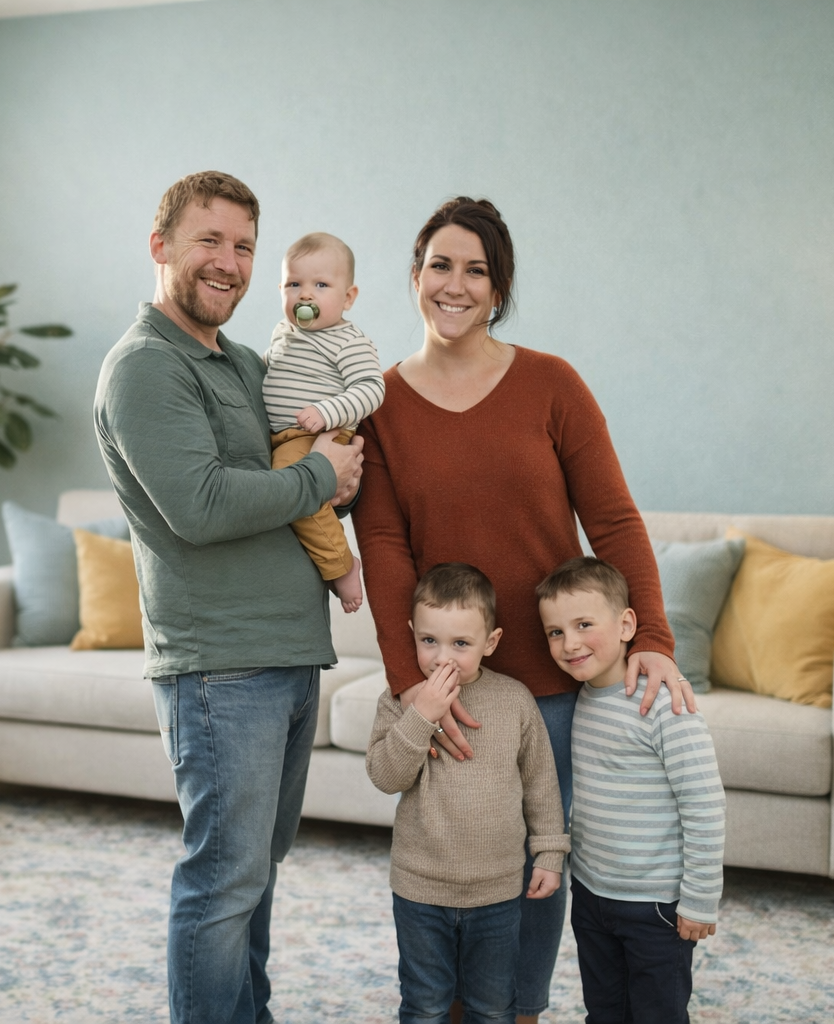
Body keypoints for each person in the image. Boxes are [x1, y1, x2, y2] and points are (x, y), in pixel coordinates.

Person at [352, 196, 697, 1023]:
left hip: (552, 684)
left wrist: (650, 635)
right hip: (449, 683)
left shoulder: (551, 384)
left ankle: (521, 1012)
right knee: (451, 863)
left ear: (499, 289)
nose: (456, 283)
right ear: (413, 276)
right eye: (440, 264)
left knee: (541, 862)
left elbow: (613, 519)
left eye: (477, 269)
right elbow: (386, 551)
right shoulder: (381, 404)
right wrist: (414, 688)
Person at [93, 170, 364, 1024]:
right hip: (220, 667)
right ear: (161, 246)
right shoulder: (144, 368)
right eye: (209, 240)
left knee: (255, 875)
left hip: (286, 651)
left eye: (244, 246)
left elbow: (298, 462)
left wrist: (335, 476)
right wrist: (323, 473)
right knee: (222, 882)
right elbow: (204, 506)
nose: (230, 262)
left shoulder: (246, 362)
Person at [366, 563, 570, 1024]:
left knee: (494, 1007)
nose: (443, 658)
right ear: (412, 634)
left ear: (490, 643)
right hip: (420, 891)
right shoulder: (399, 699)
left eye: (461, 644)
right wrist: (422, 715)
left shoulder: (514, 700)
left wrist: (550, 854)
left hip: (498, 893)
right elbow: (385, 775)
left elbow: (541, 784)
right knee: (424, 1005)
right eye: (429, 641)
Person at [537, 557, 724, 1024]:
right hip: (593, 895)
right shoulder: (579, 699)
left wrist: (700, 899)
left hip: (656, 905)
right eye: (555, 632)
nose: (569, 642)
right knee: (603, 1010)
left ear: (626, 625)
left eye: (583, 624)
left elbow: (703, 803)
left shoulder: (662, 701)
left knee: (657, 1013)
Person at [262, 231, 385, 613]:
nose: (305, 295)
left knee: (293, 481)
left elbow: (371, 388)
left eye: (320, 285)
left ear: (348, 297)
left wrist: (328, 412)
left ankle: (342, 565)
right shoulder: (285, 332)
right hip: (282, 434)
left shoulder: (347, 340)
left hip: (319, 434)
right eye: (294, 284)